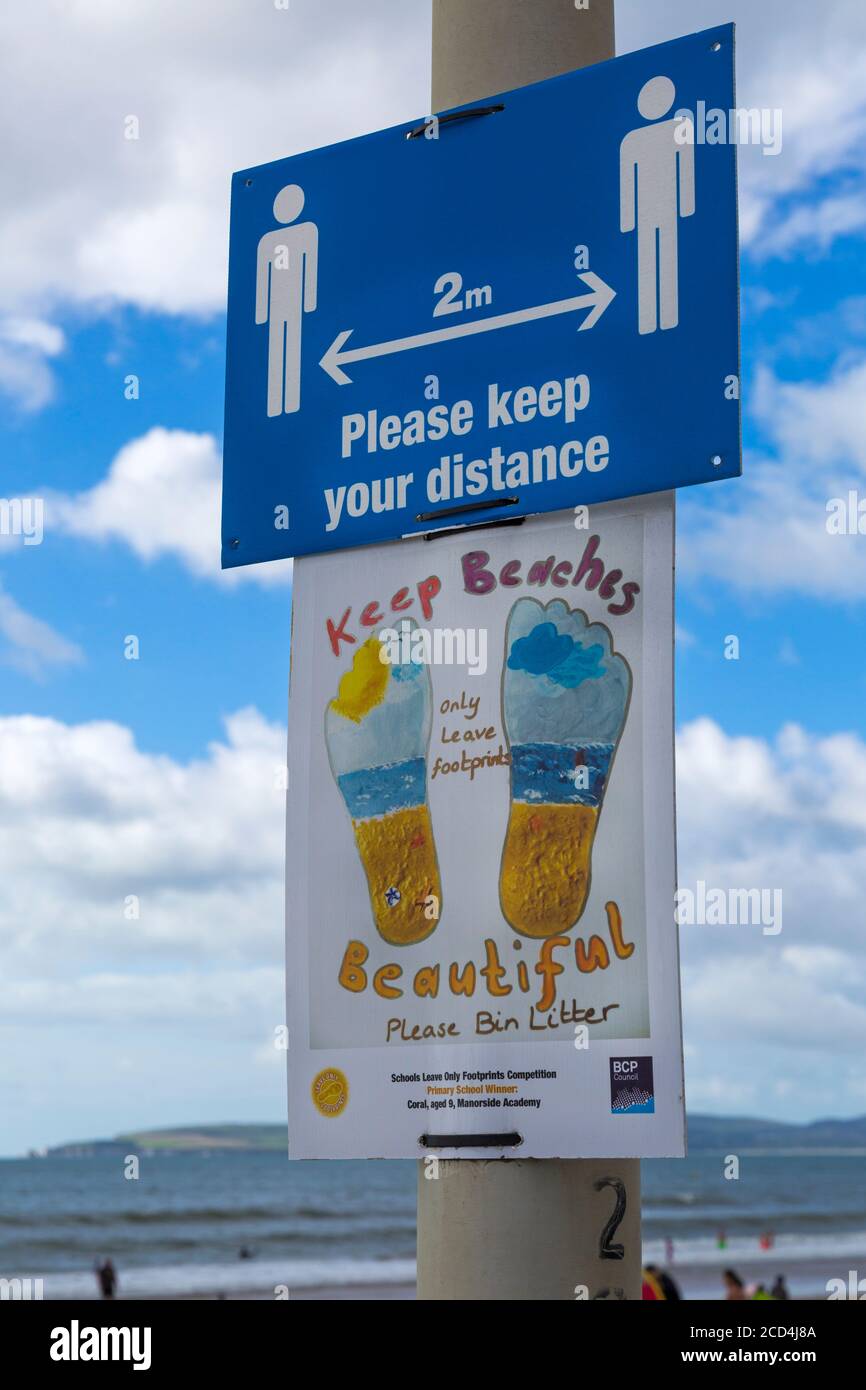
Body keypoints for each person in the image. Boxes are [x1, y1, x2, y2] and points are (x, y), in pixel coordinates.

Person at [620, 75, 695, 334]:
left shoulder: (678, 130)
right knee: (646, 261)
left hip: (667, 207)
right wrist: (628, 219)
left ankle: (668, 316)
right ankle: (648, 320)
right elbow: (628, 177)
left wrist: (685, 206)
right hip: (644, 212)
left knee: (668, 257)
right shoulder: (631, 140)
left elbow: (685, 169)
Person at [256, 184, 318, 417]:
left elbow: (310, 268)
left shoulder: (309, 231)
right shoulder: (267, 241)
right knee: (276, 350)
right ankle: (275, 405)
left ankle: (290, 403)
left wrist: (309, 302)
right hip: (276, 304)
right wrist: (261, 312)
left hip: (294, 303)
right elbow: (263, 276)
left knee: (292, 347)